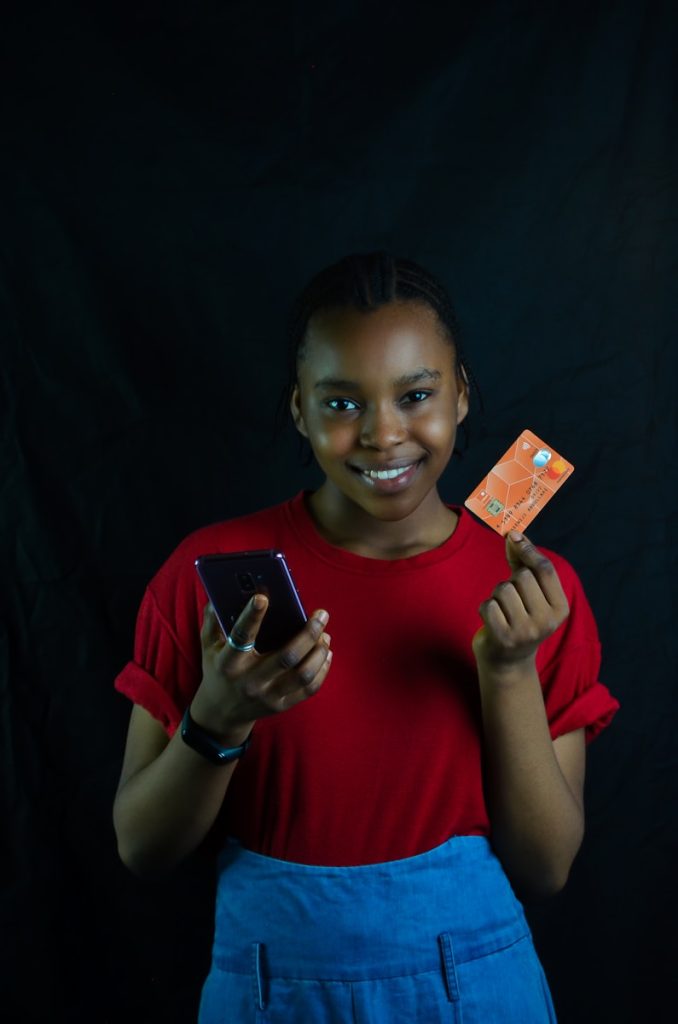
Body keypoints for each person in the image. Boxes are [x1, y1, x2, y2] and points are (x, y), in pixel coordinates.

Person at [113, 252, 619, 1023]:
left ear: (462, 395)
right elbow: (141, 848)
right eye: (342, 403)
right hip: (268, 985)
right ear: (298, 410)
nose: (385, 435)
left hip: (477, 987)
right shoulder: (211, 574)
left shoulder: (533, 593)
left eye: (416, 395)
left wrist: (509, 671)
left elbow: (547, 867)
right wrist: (217, 720)